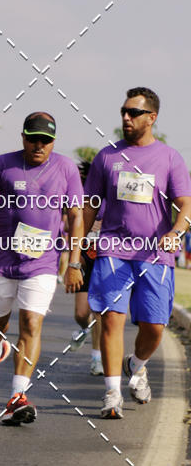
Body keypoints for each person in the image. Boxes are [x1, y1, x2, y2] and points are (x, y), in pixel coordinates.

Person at [0, 112, 84, 424]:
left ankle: (16, 396)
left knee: (31, 323)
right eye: (33, 139)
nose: (39, 145)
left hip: (42, 262)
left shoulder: (66, 168)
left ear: (53, 142)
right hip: (2, 258)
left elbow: (76, 216)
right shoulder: (2, 165)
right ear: (23, 137)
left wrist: (74, 262)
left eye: (45, 140)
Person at [83, 87, 191, 419]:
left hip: (155, 255)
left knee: (155, 326)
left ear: (151, 117)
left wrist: (176, 232)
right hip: (113, 249)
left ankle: (137, 363)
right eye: (124, 112)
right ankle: (112, 393)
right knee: (111, 321)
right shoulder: (107, 157)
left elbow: (185, 204)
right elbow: (89, 204)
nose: (126, 118)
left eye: (134, 112)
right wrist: (79, 243)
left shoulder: (169, 157)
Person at [69, 160, 103, 376]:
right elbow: (68, 225)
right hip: (83, 257)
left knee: (98, 310)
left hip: (105, 256)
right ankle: (84, 328)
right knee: (82, 313)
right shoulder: (77, 195)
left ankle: (97, 359)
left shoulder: (108, 194)